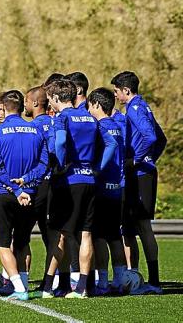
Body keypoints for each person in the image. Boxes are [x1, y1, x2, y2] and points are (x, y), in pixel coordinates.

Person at [41, 79, 117, 299]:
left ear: (56, 98)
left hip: (70, 180)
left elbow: (61, 142)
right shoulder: (89, 117)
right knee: (85, 233)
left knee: (62, 234)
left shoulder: (62, 118)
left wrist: (61, 164)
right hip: (90, 180)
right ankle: (83, 286)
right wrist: (97, 169)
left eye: (50, 100)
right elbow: (111, 144)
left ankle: (50, 286)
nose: (50, 105)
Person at [0, 90, 49, 301]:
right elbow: (44, 164)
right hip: (30, 193)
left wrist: (15, 188)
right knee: (23, 242)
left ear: (4, 108)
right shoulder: (37, 130)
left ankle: (18, 288)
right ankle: (22, 284)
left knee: (3, 243)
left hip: (4, 193)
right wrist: (26, 182)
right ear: (23, 108)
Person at [112, 71, 167, 294]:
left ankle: (154, 282)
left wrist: (138, 159)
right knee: (133, 226)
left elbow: (151, 137)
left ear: (126, 90)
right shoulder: (143, 106)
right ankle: (138, 276)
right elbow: (161, 138)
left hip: (140, 175)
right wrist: (150, 158)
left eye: (116, 91)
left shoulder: (134, 109)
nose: (115, 95)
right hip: (144, 171)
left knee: (143, 226)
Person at [87, 87, 128, 295]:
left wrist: (96, 170)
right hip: (118, 187)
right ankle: (120, 280)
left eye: (89, 106)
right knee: (115, 236)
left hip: (102, 187)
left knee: (99, 236)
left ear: (96, 105)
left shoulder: (99, 127)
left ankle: (102, 282)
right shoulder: (119, 125)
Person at [23, 86, 55, 267]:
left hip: (39, 185)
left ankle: (20, 280)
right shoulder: (55, 122)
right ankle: (58, 277)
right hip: (57, 183)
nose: (25, 105)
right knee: (52, 233)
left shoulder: (32, 128)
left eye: (26, 101)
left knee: (23, 233)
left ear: (35, 102)